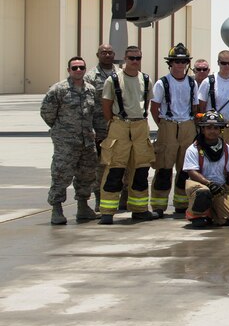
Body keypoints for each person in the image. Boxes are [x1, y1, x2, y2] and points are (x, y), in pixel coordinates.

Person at [40, 56, 106, 224]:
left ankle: (83, 207)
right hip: (66, 143)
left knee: (87, 174)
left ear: (85, 70)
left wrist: (100, 134)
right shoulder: (58, 90)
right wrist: (62, 131)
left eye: (81, 67)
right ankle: (57, 208)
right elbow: (47, 113)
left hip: (87, 141)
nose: (78, 70)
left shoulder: (90, 90)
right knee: (61, 174)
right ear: (69, 70)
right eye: (74, 68)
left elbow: (97, 115)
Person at [99, 45, 154, 224]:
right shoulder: (113, 80)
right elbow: (106, 105)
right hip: (120, 126)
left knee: (141, 170)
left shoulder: (146, 79)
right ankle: (107, 211)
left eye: (138, 58)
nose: (135, 61)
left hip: (140, 126)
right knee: (115, 169)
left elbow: (147, 104)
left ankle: (139, 209)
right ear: (125, 59)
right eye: (131, 58)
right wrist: (114, 123)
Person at [149, 43, 199, 218]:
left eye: (184, 61)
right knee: (163, 167)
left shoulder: (192, 83)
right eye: (177, 62)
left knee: (185, 169)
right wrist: (163, 125)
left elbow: (195, 106)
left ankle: (181, 203)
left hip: (187, 125)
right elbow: (154, 107)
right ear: (170, 64)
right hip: (168, 125)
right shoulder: (162, 83)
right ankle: (158, 205)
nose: (180, 65)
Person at [182, 111, 229, 228]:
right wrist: (209, 184)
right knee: (203, 193)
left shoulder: (227, 149)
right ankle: (196, 215)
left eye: (216, 128)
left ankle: (212, 212)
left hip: (219, 188)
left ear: (221, 130)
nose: (212, 131)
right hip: (200, 186)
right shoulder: (193, 149)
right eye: (208, 128)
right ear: (202, 129)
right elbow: (192, 172)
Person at [198, 49, 229, 166]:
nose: (227, 66)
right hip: (213, 124)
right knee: (212, 153)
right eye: (223, 63)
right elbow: (202, 106)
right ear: (218, 63)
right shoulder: (208, 82)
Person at [85, 43, 119, 213]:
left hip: (119, 127)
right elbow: (86, 104)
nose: (107, 55)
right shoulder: (90, 77)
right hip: (100, 129)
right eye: (103, 52)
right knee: (101, 166)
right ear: (97, 55)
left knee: (121, 163)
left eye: (110, 52)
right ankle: (100, 198)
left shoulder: (121, 73)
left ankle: (122, 198)